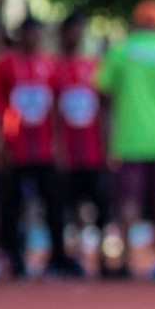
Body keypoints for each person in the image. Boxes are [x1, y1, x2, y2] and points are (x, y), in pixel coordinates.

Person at [96, 0, 155, 280]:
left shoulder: (120, 51)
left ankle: (124, 262)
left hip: (128, 138)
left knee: (128, 201)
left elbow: (103, 92)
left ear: (136, 22)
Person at [0, 16, 79, 278]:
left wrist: (59, 145)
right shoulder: (6, 64)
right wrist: (1, 144)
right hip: (16, 149)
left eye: (38, 34)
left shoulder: (48, 65)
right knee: (13, 205)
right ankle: (14, 257)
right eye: (30, 34)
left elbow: (56, 108)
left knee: (53, 205)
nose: (34, 39)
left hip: (45, 150)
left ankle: (58, 257)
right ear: (21, 35)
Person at [54, 14, 114, 275]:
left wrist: (108, 145)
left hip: (93, 151)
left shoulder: (94, 67)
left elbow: (104, 108)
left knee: (100, 204)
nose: (75, 37)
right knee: (69, 206)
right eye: (71, 32)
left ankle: (102, 256)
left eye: (79, 32)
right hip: (67, 151)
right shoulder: (54, 68)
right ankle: (73, 255)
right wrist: (57, 148)